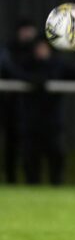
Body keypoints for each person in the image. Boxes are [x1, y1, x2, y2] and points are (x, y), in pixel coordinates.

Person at [10, 37, 75, 184]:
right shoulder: (27, 64)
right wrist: (32, 79)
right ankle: (32, 187)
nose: (41, 51)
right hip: (31, 123)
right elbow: (13, 72)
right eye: (38, 48)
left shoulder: (58, 65)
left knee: (56, 157)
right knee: (30, 158)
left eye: (44, 47)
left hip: (52, 123)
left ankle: (56, 185)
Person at [1, 19, 37, 183]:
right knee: (11, 145)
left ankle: (29, 180)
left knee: (27, 145)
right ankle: (10, 179)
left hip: (28, 108)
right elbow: (9, 69)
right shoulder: (8, 50)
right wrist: (30, 79)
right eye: (24, 30)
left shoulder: (36, 51)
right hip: (7, 106)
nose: (27, 33)